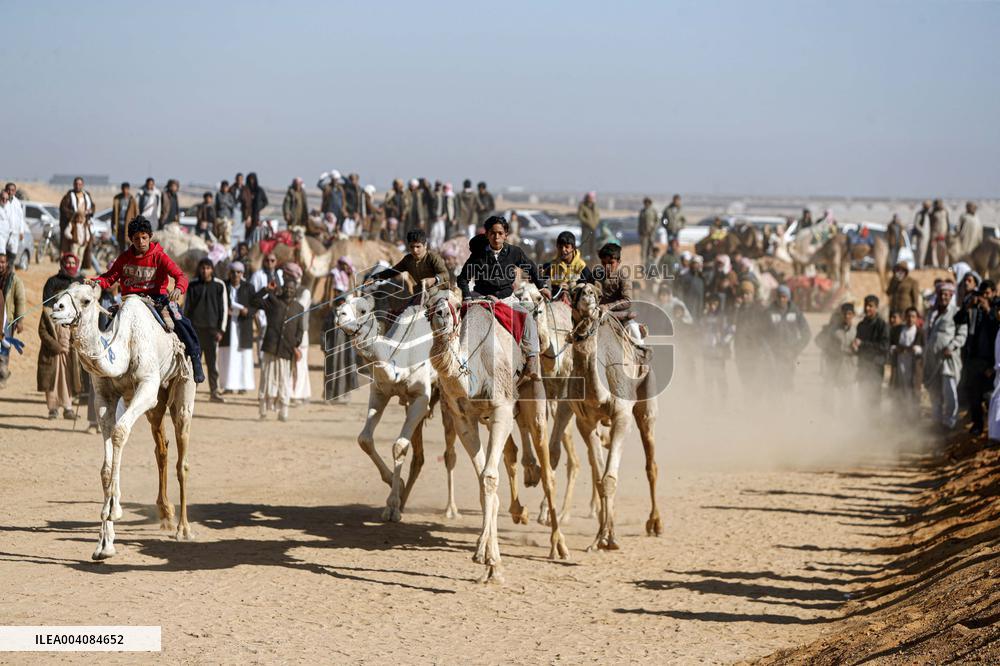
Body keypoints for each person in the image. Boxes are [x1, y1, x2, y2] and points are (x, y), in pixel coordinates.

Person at [88, 216, 205, 384]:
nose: (141, 242)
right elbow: (109, 278)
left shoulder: (160, 256)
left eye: (144, 237)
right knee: (109, 326)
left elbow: (180, 276)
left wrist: (179, 288)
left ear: (150, 236)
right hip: (130, 300)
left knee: (180, 320)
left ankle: (195, 357)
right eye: (136, 238)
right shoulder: (124, 258)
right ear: (131, 240)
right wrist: (95, 281)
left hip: (157, 300)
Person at [457, 215, 551, 381]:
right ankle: (458, 358)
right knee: (461, 321)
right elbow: (462, 278)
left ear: (506, 234)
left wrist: (542, 286)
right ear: (487, 235)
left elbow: (530, 267)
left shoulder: (514, 252)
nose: (496, 237)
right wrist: (466, 297)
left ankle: (532, 358)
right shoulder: (478, 255)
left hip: (507, 299)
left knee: (527, 317)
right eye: (493, 233)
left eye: (500, 233)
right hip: (482, 299)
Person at [252, 267, 305, 421]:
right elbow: (253, 301)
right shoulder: (272, 301)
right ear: (282, 289)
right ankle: (262, 411)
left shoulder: (299, 308)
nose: (289, 291)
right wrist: (266, 290)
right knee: (266, 380)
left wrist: (296, 343)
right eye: (286, 288)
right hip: (270, 347)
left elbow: (300, 331)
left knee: (284, 382)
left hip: (286, 351)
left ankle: (283, 413)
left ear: (295, 291)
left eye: (292, 289)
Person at [38, 254, 84, 419]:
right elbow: (43, 331)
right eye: (68, 262)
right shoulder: (52, 282)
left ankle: (68, 408)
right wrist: (55, 346)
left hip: (70, 348)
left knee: (69, 378)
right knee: (52, 378)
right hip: (53, 351)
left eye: (74, 262)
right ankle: (53, 409)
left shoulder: (80, 281)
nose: (71, 265)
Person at [924, 281, 966, 431]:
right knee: (935, 393)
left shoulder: (957, 312)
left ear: (951, 296)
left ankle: (949, 423)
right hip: (932, 359)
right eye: (941, 294)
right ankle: (936, 422)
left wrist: (952, 346)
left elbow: (962, 333)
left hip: (948, 360)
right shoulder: (932, 314)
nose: (943, 297)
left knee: (949, 392)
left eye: (947, 294)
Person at [184, 258, 228, 401]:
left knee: (212, 363)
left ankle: (214, 392)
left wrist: (221, 330)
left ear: (212, 269)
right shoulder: (192, 285)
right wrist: (186, 330)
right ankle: (191, 392)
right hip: (195, 331)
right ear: (199, 269)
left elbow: (223, 308)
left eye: (208, 268)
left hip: (212, 332)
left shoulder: (219, 285)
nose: (205, 271)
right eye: (203, 268)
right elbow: (187, 309)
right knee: (193, 363)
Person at [959, 280, 997, 436]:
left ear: (994, 293)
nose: (984, 297)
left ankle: (993, 427)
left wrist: (988, 309)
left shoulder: (995, 309)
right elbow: (958, 320)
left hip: (990, 360)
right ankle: (978, 425)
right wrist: (968, 307)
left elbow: (995, 328)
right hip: (974, 359)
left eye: (987, 294)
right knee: (973, 395)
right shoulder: (975, 309)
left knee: (990, 395)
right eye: (982, 294)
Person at [369, 229, 450, 299]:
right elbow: (392, 271)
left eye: (418, 247)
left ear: (425, 245)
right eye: (412, 247)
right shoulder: (408, 260)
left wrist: (435, 279)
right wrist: (374, 278)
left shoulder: (433, 257)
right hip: (421, 294)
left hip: (440, 294)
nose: (414, 250)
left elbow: (445, 274)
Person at [594, 242, 644, 344]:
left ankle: (641, 354)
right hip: (597, 316)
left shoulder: (623, 277)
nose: (607, 267)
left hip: (619, 317)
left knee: (635, 333)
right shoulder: (596, 275)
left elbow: (627, 301)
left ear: (619, 262)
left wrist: (607, 306)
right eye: (604, 263)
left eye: (611, 263)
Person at [324, 256, 358, 403]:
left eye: (347, 265)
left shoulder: (351, 277)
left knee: (348, 360)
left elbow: (355, 295)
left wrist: (351, 276)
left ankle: (346, 394)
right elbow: (329, 299)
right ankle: (331, 394)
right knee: (334, 361)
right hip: (335, 323)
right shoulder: (333, 275)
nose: (345, 267)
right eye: (343, 265)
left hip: (349, 322)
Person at [765, 285, 811, 390]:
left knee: (787, 382)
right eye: (780, 297)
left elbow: (806, 333)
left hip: (790, 354)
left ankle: (788, 404)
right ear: (776, 297)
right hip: (774, 354)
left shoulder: (795, 312)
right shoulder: (769, 313)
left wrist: (796, 349)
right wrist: (767, 350)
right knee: (773, 383)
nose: (782, 299)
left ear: (788, 297)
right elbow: (762, 333)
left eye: (784, 297)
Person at [218, 262, 255, 394]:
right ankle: (228, 385)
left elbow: (255, 306)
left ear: (242, 274)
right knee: (227, 356)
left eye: (239, 272)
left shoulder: (249, 287)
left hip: (243, 326)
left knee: (242, 356)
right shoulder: (223, 286)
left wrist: (247, 311)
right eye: (233, 272)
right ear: (229, 273)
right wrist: (224, 311)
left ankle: (242, 385)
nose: (236, 275)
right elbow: (217, 303)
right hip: (227, 327)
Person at [852, 295, 890, 406]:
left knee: (874, 400)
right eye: (866, 305)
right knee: (862, 399)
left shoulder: (882, 326)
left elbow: (884, 347)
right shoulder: (861, 325)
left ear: (876, 307)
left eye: (870, 306)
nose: (867, 308)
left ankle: (875, 423)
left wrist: (863, 344)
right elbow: (859, 346)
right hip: (863, 367)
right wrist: (855, 348)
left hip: (875, 368)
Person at [889, 306, 924, 417]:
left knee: (913, 391)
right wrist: (896, 349)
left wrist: (917, 349)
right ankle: (901, 418)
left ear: (917, 318)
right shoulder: (897, 330)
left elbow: (925, 349)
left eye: (913, 317)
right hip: (900, 364)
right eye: (908, 316)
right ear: (905, 317)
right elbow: (890, 346)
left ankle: (914, 419)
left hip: (913, 367)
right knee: (900, 390)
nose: (910, 319)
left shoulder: (920, 332)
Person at [700, 292, 734, 396]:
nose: (712, 306)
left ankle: (723, 401)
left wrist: (723, 342)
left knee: (720, 377)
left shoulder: (723, 318)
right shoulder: (704, 317)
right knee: (708, 377)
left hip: (719, 351)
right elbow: (700, 332)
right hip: (707, 350)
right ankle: (709, 402)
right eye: (710, 304)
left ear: (719, 304)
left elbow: (731, 332)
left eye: (715, 304)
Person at [250, 253, 283, 361]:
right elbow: (253, 294)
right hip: (262, 309)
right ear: (264, 262)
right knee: (263, 332)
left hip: (277, 309)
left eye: (272, 260)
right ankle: (261, 358)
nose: (270, 263)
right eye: (267, 260)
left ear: (276, 262)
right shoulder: (257, 275)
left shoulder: (280, 274)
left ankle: (272, 356)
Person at [288, 263, 312, 405]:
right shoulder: (288, 291)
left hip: (301, 333)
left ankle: (298, 395)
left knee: (300, 364)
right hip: (290, 333)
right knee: (292, 365)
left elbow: (298, 308)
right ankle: (296, 393)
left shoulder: (305, 292)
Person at [0, 252, 25, 388]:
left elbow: (20, 300)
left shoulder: (14, 280)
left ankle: (2, 375)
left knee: (4, 347)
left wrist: (19, 320)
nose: (0, 265)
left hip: (6, 320)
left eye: (3, 262)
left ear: (7, 263)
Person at [543, 231, 591, 297]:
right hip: (555, 303)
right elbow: (542, 284)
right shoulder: (550, 267)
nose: (563, 250)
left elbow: (589, 285)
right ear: (557, 247)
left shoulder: (581, 267)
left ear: (573, 248)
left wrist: (571, 287)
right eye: (560, 247)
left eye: (566, 247)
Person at [58, 177, 95, 242]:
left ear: (82, 185)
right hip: (73, 225)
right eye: (76, 184)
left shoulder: (86, 195)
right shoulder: (68, 196)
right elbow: (63, 208)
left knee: (87, 242)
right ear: (73, 185)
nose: (78, 186)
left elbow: (92, 206)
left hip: (84, 224)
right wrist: (75, 214)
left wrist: (90, 211)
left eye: (80, 184)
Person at [242, 172, 269, 241]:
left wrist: (259, 207)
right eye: (250, 179)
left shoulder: (259, 190)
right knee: (246, 233)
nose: (251, 181)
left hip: (255, 215)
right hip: (246, 214)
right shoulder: (245, 190)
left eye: (253, 179)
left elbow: (265, 201)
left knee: (254, 232)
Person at [678, 255, 706, 321]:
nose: (695, 266)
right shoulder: (685, 277)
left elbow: (702, 295)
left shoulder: (702, 278)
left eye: (697, 264)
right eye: (694, 264)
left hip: (698, 308)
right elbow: (680, 291)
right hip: (687, 306)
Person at [111, 182, 138, 249]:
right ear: (121, 189)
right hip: (120, 225)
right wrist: (113, 225)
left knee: (130, 244)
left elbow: (136, 213)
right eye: (123, 189)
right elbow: (114, 213)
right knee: (121, 245)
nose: (125, 191)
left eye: (126, 189)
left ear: (128, 189)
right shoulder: (117, 199)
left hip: (129, 225)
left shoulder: (132, 199)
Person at [577, 191, 600, 262]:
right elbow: (580, 216)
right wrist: (588, 222)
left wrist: (595, 223)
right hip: (586, 228)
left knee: (593, 244)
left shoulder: (594, 206)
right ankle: (582, 258)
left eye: (592, 197)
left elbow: (597, 215)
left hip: (594, 227)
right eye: (590, 197)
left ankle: (593, 258)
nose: (591, 199)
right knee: (585, 243)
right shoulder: (582, 205)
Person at [638, 197, 659, 266]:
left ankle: (651, 264)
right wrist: (640, 232)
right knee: (643, 250)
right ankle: (643, 264)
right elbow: (640, 222)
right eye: (645, 202)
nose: (646, 204)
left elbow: (657, 221)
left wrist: (653, 228)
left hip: (651, 233)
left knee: (651, 249)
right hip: (644, 234)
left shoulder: (653, 211)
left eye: (648, 202)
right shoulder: (642, 211)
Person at [929, 199, 950, 268]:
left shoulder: (945, 212)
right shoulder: (933, 213)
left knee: (944, 251)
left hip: (944, 234)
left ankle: (944, 265)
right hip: (935, 234)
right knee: (934, 251)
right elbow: (931, 224)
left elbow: (947, 223)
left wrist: (947, 233)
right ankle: (936, 265)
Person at [912, 200, 932, 269]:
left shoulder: (928, 214)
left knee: (924, 251)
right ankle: (919, 265)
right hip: (921, 236)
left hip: (927, 236)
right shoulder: (920, 214)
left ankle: (921, 264)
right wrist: (922, 231)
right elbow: (916, 224)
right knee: (920, 251)